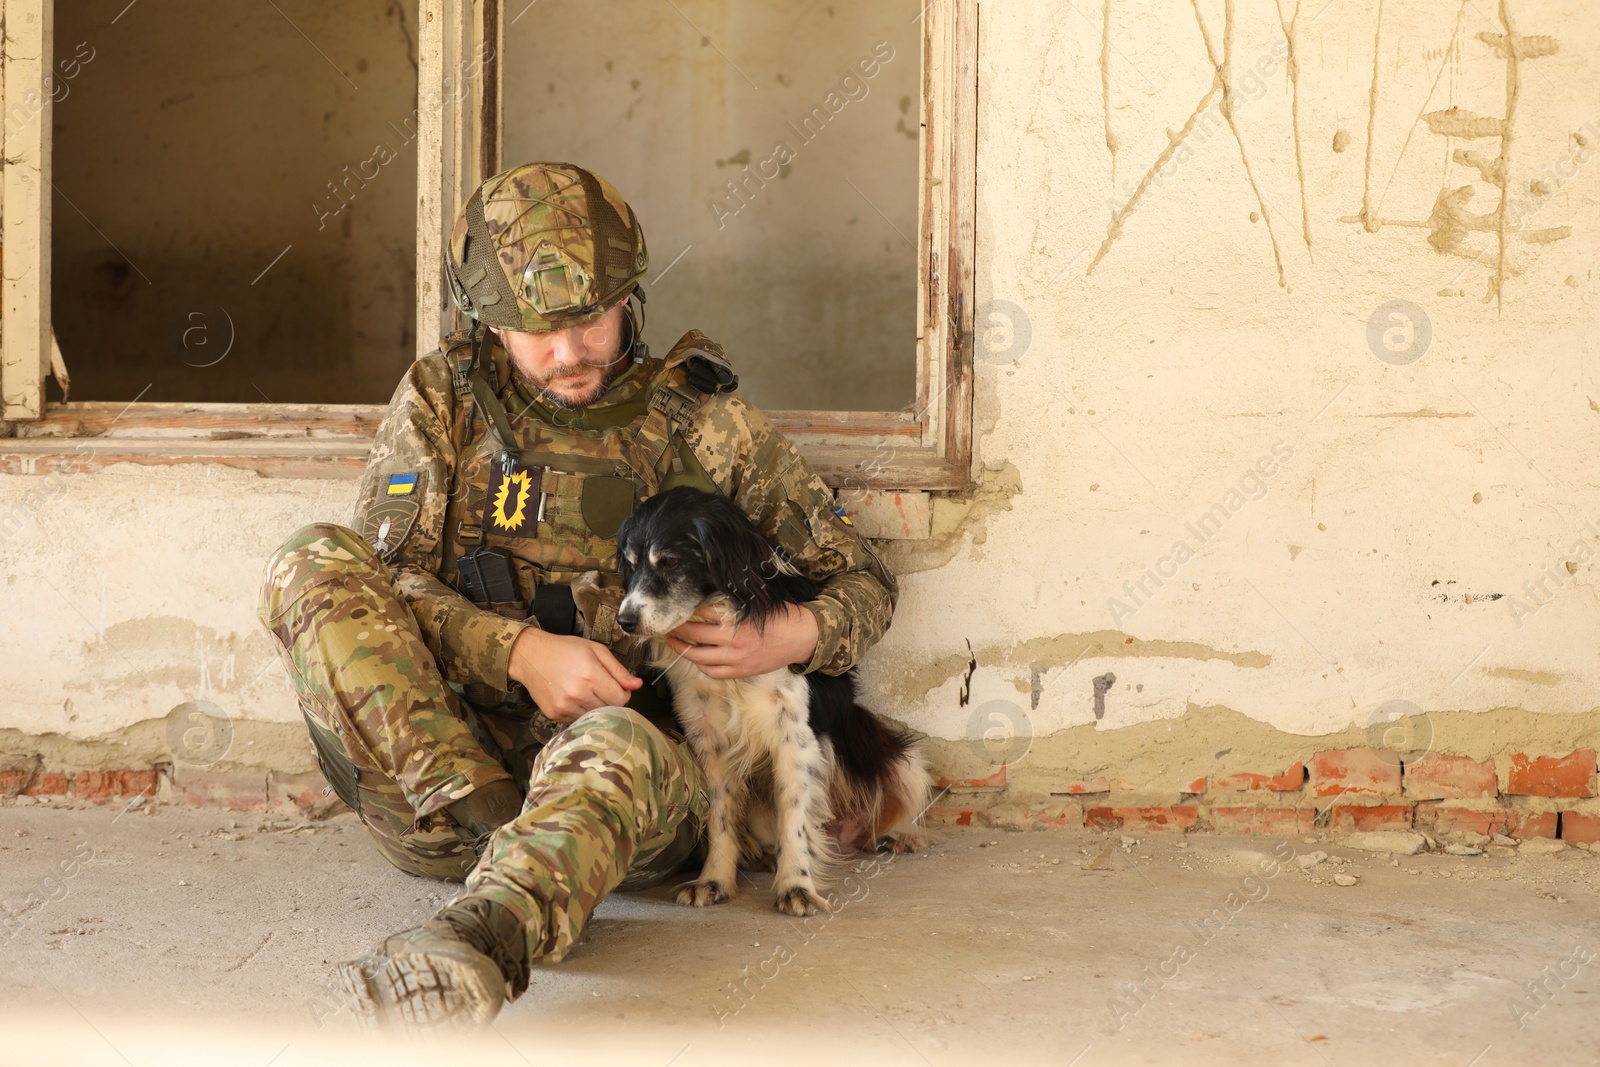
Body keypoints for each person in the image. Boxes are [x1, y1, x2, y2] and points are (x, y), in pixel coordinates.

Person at [257, 162, 898, 1027]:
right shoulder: (442, 399)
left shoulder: (701, 421)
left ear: (629, 297)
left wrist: (788, 634)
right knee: (312, 559)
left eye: (592, 320)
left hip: (620, 801)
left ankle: (475, 940)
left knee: (613, 740)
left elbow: (863, 574)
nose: (570, 352)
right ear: (488, 320)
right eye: (537, 330)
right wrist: (518, 651)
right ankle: (494, 836)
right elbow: (384, 584)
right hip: (438, 787)